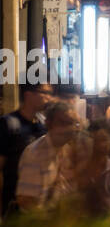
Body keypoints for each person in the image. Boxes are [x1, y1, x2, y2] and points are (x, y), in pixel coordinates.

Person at [14, 101, 80, 214]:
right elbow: (26, 201)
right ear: (48, 124)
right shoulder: (35, 154)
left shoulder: (67, 149)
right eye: (63, 123)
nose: (70, 128)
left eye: (73, 123)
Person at [0, 83, 51, 218]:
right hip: (14, 202)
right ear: (28, 94)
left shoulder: (43, 126)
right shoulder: (8, 124)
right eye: (44, 93)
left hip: (39, 204)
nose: (48, 98)